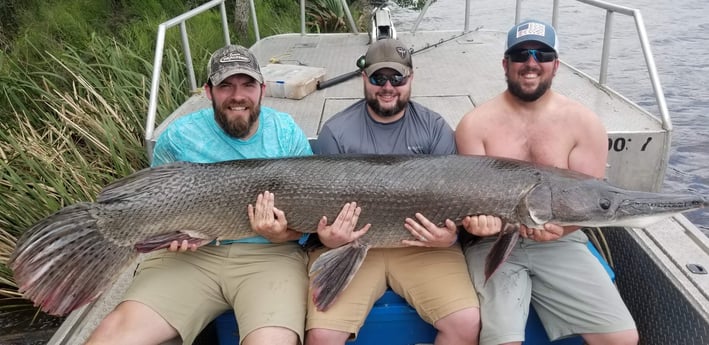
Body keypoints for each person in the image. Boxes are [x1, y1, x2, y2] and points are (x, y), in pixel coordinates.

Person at [86, 44, 313, 345]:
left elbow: (308, 225)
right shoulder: (179, 137)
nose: (237, 96)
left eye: (247, 85)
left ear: (262, 89)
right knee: (110, 338)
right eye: (225, 86)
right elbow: (156, 201)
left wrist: (280, 234)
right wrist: (170, 235)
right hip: (191, 259)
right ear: (208, 91)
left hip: (270, 258)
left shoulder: (286, 134)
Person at [456, 20, 639, 345]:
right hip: (493, 244)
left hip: (562, 242)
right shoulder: (475, 124)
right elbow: (468, 204)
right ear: (505, 64)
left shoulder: (584, 124)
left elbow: (593, 205)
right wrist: (477, 227)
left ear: (556, 64)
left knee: (622, 338)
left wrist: (563, 229)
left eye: (542, 54)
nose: (531, 62)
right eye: (520, 54)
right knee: (502, 340)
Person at [306, 38, 481, 345]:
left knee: (466, 324)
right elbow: (318, 211)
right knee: (322, 336)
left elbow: (456, 198)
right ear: (364, 79)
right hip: (351, 247)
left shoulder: (435, 128)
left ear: (410, 79)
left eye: (396, 78)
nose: (388, 87)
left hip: (424, 247)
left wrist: (450, 238)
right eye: (378, 78)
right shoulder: (336, 132)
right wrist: (326, 238)